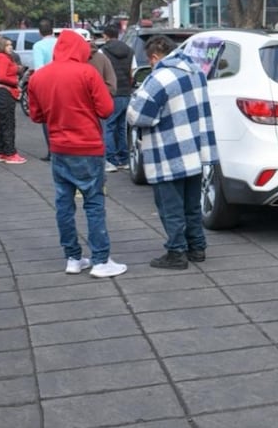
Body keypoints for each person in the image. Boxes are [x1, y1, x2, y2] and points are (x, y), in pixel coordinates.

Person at [29, 30, 126, 278]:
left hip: (59, 148)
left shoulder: (39, 77)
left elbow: (36, 115)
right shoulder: (87, 72)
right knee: (94, 203)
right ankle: (100, 260)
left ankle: (72, 257)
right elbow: (106, 109)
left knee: (64, 204)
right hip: (88, 147)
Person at [128, 36, 218, 271]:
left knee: (170, 207)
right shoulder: (196, 71)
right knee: (191, 205)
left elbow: (138, 116)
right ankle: (197, 247)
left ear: (154, 57)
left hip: (168, 153)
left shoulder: (159, 77)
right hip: (194, 150)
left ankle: (176, 252)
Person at [0, 36, 27, 164]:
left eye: (11, 45)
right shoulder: (3, 58)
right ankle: (10, 153)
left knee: (2, 123)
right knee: (8, 123)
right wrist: (14, 81)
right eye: (8, 45)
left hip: (0, 91)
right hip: (5, 91)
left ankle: (3, 152)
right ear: (1, 46)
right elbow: (2, 77)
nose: (10, 47)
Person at [99, 24, 133, 172]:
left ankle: (110, 160)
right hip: (126, 92)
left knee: (109, 126)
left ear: (105, 35)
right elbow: (132, 72)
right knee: (122, 127)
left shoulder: (103, 51)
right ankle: (124, 159)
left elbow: (102, 73)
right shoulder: (130, 50)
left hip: (112, 93)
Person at [32, 19, 58, 161]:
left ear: (39, 32)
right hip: (63, 83)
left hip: (47, 86)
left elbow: (39, 69)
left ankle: (52, 150)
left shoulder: (38, 46)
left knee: (47, 119)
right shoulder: (59, 43)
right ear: (52, 30)